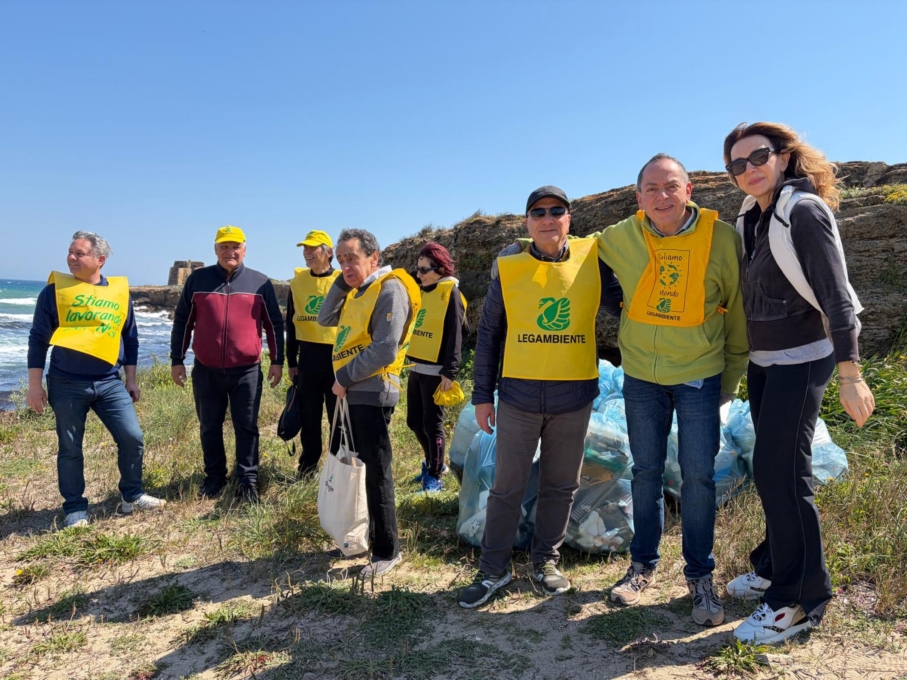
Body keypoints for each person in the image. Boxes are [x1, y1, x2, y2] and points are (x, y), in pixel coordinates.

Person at [722, 122, 875, 643]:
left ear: (783, 157)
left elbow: (836, 294)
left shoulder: (802, 210)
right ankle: (773, 567)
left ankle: (798, 599)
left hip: (804, 360)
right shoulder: (753, 216)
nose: (748, 169)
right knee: (772, 471)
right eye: (736, 164)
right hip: (765, 362)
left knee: (784, 474)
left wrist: (851, 375)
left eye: (758, 156)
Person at [458, 186, 623, 609]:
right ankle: (492, 570)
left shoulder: (592, 260)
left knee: (561, 485)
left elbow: (625, 308)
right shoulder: (510, 267)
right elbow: (489, 335)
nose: (548, 218)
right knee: (506, 487)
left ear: (569, 218)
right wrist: (482, 396)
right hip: (519, 397)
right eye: (538, 212)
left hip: (574, 397)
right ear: (527, 222)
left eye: (556, 211)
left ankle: (545, 561)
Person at [602, 155, 748, 627]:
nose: (661, 196)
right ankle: (641, 566)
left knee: (698, 477)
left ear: (689, 190)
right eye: (651, 188)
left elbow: (737, 312)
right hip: (641, 376)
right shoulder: (621, 235)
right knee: (644, 472)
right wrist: (521, 246)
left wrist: (729, 382)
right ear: (638, 196)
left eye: (670, 186)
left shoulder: (722, 238)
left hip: (699, 375)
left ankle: (700, 577)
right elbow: (576, 252)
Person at [27, 231, 165, 527]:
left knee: (132, 437)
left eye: (80, 253)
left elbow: (130, 338)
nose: (71, 258)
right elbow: (38, 339)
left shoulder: (118, 293)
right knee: (70, 447)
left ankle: (131, 495)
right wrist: (34, 386)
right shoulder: (53, 292)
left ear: (100, 259)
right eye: (70, 252)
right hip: (66, 382)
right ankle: (75, 508)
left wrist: (131, 379)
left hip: (109, 381)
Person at [317, 228, 420, 577]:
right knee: (353, 468)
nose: (346, 266)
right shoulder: (357, 291)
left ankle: (388, 550)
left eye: (353, 259)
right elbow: (324, 318)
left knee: (376, 471)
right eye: (340, 260)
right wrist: (343, 279)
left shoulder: (390, 289)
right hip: (352, 392)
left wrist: (343, 377)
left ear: (374, 258)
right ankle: (359, 536)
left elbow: (385, 348)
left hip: (373, 391)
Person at [170, 225, 284, 503]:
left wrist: (277, 360)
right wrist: (177, 359)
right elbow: (183, 321)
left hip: (247, 370)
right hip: (206, 369)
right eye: (224, 246)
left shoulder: (260, 282)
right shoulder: (198, 280)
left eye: (235, 246)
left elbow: (273, 324)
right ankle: (215, 477)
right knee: (209, 426)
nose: (229, 251)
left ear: (244, 249)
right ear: (215, 249)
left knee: (247, 427)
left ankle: (247, 480)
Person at [405, 242, 467, 492]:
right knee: (413, 422)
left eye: (423, 270)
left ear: (440, 269)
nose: (418, 275)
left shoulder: (451, 293)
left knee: (433, 424)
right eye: (417, 269)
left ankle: (436, 474)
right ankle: (432, 462)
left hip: (435, 372)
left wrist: (450, 371)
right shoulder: (423, 292)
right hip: (416, 367)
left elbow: (456, 334)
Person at [286, 230, 342, 478]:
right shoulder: (297, 282)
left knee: (336, 419)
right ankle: (308, 467)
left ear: (328, 252)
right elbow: (290, 324)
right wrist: (291, 361)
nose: (307, 252)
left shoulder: (343, 281)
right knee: (309, 417)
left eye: (313, 248)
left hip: (336, 361)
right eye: (305, 248)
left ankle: (336, 468)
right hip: (307, 360)